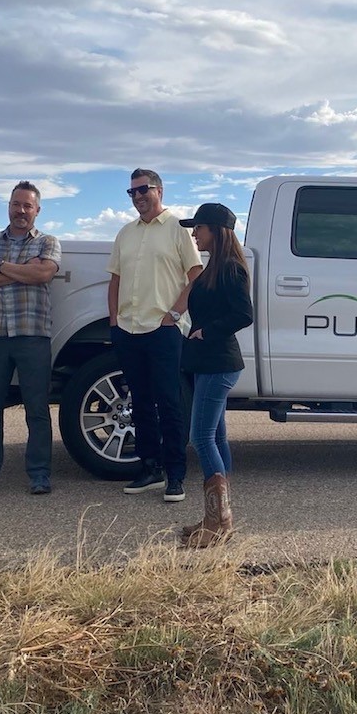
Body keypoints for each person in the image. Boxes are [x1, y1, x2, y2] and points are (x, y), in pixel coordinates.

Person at [0, 181, 62, 496]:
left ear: (37, 210)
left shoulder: (47, 242)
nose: (21, 211)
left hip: (32, 336)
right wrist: (20, 270)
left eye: (27, 206)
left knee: (37, 407)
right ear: (9, 205)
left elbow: (43, 274)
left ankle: (39, 474)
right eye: (16, 204)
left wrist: (1, 267)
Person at [107, 168, 203, 501]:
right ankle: (150, 469)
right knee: (141, 403)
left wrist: (174, 314)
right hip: (129, 328)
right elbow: (115, 279)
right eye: (131, 192)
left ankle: (175, 475)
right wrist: (113, 321)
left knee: (169, 402)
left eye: (143, 190)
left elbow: (195, 275)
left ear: (159, 190)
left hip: (163, 330)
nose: (137, 197)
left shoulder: (177, 229)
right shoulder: (126, 233)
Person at [177, 203, 252, 547]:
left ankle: (217, 522)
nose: (194, 233)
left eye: (200, 228)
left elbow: (243, 314)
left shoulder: (231, 269)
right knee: (217, 438)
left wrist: (208, 332)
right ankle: (219, 519)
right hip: (209, 363)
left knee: (201, 437)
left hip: (218, 363)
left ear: (217, 231)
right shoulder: (213, 268)